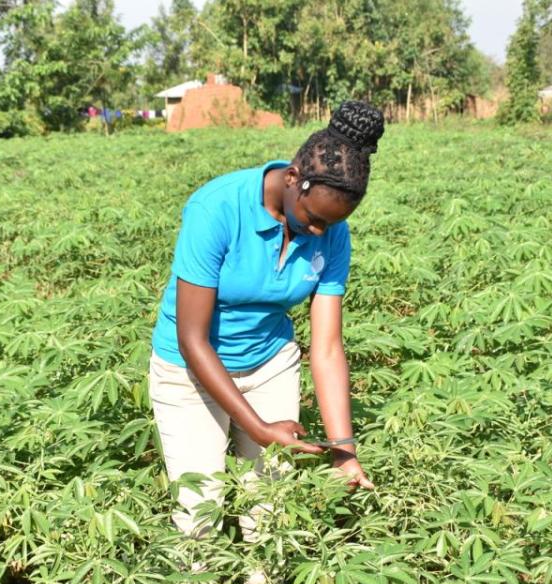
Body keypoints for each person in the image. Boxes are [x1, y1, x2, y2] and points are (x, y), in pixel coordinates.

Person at [148, 99, 383, 548]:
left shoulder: (333, 231)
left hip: (269, 363)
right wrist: (257, 428)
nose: (319, 233)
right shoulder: (216, 209)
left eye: (330, 225)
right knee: (201, 509)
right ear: (293, 178)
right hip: (190, 371)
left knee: (271, 505)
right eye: (313, 219)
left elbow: (328, 348)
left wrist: (344, 451)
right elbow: (192, 338)